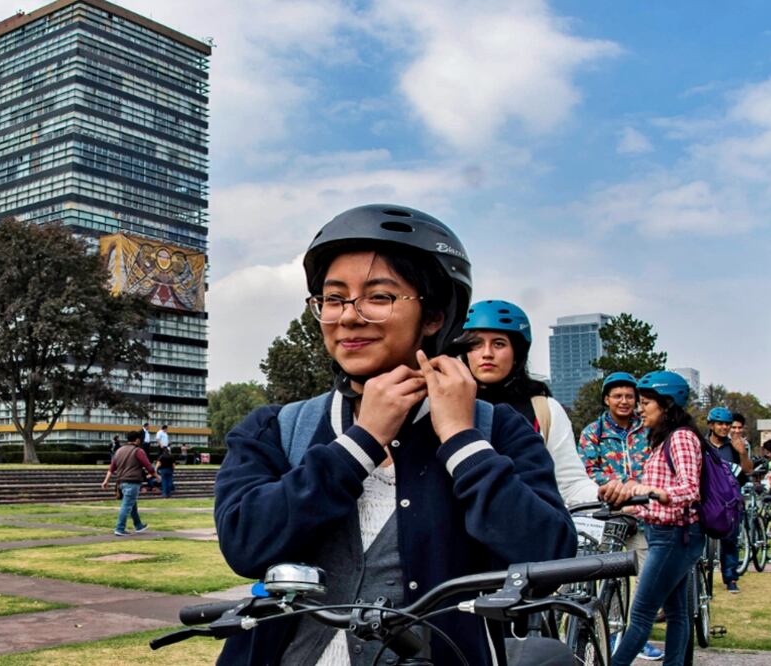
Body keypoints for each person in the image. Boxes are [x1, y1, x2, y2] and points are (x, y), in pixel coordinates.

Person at [213, 204, 575, 666]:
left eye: (379, 297)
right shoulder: (278, 427)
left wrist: (461, 440)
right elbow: (245, 546)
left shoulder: (497, 429)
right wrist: (360, 443)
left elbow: (547, 561)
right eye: (333, 298)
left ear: (433, 316)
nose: (348, 317)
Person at [599, 371, 703, 666]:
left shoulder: (681, 437)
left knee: (641, 616)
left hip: (673, 538)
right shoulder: (664, 439)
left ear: (666, 405)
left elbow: (690, 489)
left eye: (645, 403)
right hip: (665, 533)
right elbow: (660, 500)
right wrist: (633, 507)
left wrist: (655, 492)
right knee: (677, 613)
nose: (639, 409)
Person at [456, 299, 598, 505]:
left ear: (517, 353)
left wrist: (607, 495)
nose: (487, 353)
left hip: (525, 519)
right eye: (476, 344)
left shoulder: (544, 409)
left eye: (499, 344)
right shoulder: (444, 404)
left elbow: (570, 483)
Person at [576, 370, 663, 660]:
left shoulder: (648, 428)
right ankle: (612, 632)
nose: (624, 401)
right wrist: (620, 488)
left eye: (629, 396)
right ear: (607, 399)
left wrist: (639, 489)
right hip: (607, 514)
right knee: (609, 575)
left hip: (642, 513)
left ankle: (639, 635)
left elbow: (657, 463)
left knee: (646, 576)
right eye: (617, 396)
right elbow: (588, 469)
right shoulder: (593, 432)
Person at [704, 406, 752, 593]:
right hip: (707, 498)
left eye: (727, 424)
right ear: (711, 425)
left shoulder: (735, 446)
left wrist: (742, 453)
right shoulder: (702, 444)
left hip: (729, 500)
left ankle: (730, 577)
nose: (724, 428)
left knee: (730, 539)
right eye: (720, 424)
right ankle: (701, 576)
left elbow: (748, 470)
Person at [101, 430, 157, 536]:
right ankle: (119, 528)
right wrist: (157, 476)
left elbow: (112, 468)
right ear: (137, 440)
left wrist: (106, 480)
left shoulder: (119, 451)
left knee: (131, 504)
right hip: (132, 482)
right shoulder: (138, 451)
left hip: (121, 482)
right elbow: (148, 466)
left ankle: (138, 525)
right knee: (126, 506)